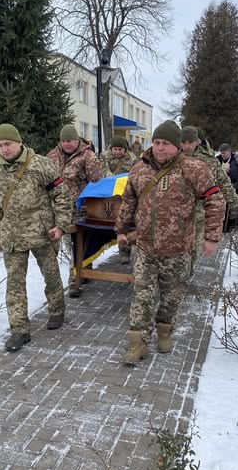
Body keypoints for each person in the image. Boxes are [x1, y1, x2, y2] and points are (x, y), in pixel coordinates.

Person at [115, 120, 226, 364]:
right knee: (141, 295)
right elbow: (128, 202)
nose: (160, 148)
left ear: (176, 147)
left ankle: (165, 331)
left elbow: (215, 202)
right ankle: (137, 343)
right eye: (156, 143)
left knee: (171, 297)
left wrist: (211, 237)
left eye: (166, 144)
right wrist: (121, 229)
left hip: (178, 250)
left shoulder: (193, 169)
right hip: (145, 248)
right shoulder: (139, 169)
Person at [0, 123, 73, 351]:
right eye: (0, 145)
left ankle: (56, 310)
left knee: (51, 274)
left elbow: (62, 195)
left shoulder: (41, 165)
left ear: (19, 142)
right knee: (14, 283)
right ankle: (19, 329)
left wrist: (61, 226)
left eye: (8, 144)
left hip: (42, 233)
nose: (4, 149)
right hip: (13, 237)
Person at [46, 124, 102, 297]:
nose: (66, 144)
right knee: (71, 244)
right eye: (63, 141)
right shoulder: (52, 156)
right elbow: (48, 179)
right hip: (60, 208)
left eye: (69, 141)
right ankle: (79, 275)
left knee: (80, 241)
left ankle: (77, 276)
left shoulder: (88, 155)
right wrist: (55, 184)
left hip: (81, 208)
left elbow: (97, 180)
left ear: (77, 140)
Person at [181, 126, 238, 273]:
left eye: (190, 142)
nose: (187, 146)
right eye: (183, 142)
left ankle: (187, 276)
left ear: (197, 142)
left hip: (198, 213)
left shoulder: (209, 160)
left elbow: (223, 182)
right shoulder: (172, 157)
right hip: (175, 213)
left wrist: (233, 202)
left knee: (194, 249)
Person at [100, 135, 138, 264]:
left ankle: (124, 251)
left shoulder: (132, 158)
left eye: (120, 149)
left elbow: (136, 173)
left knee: (126, 222)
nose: (117, 152)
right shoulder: (104, 156)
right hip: (110, 192)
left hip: (126, 193)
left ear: (125, 150)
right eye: (115, 149)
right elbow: (103, 170)